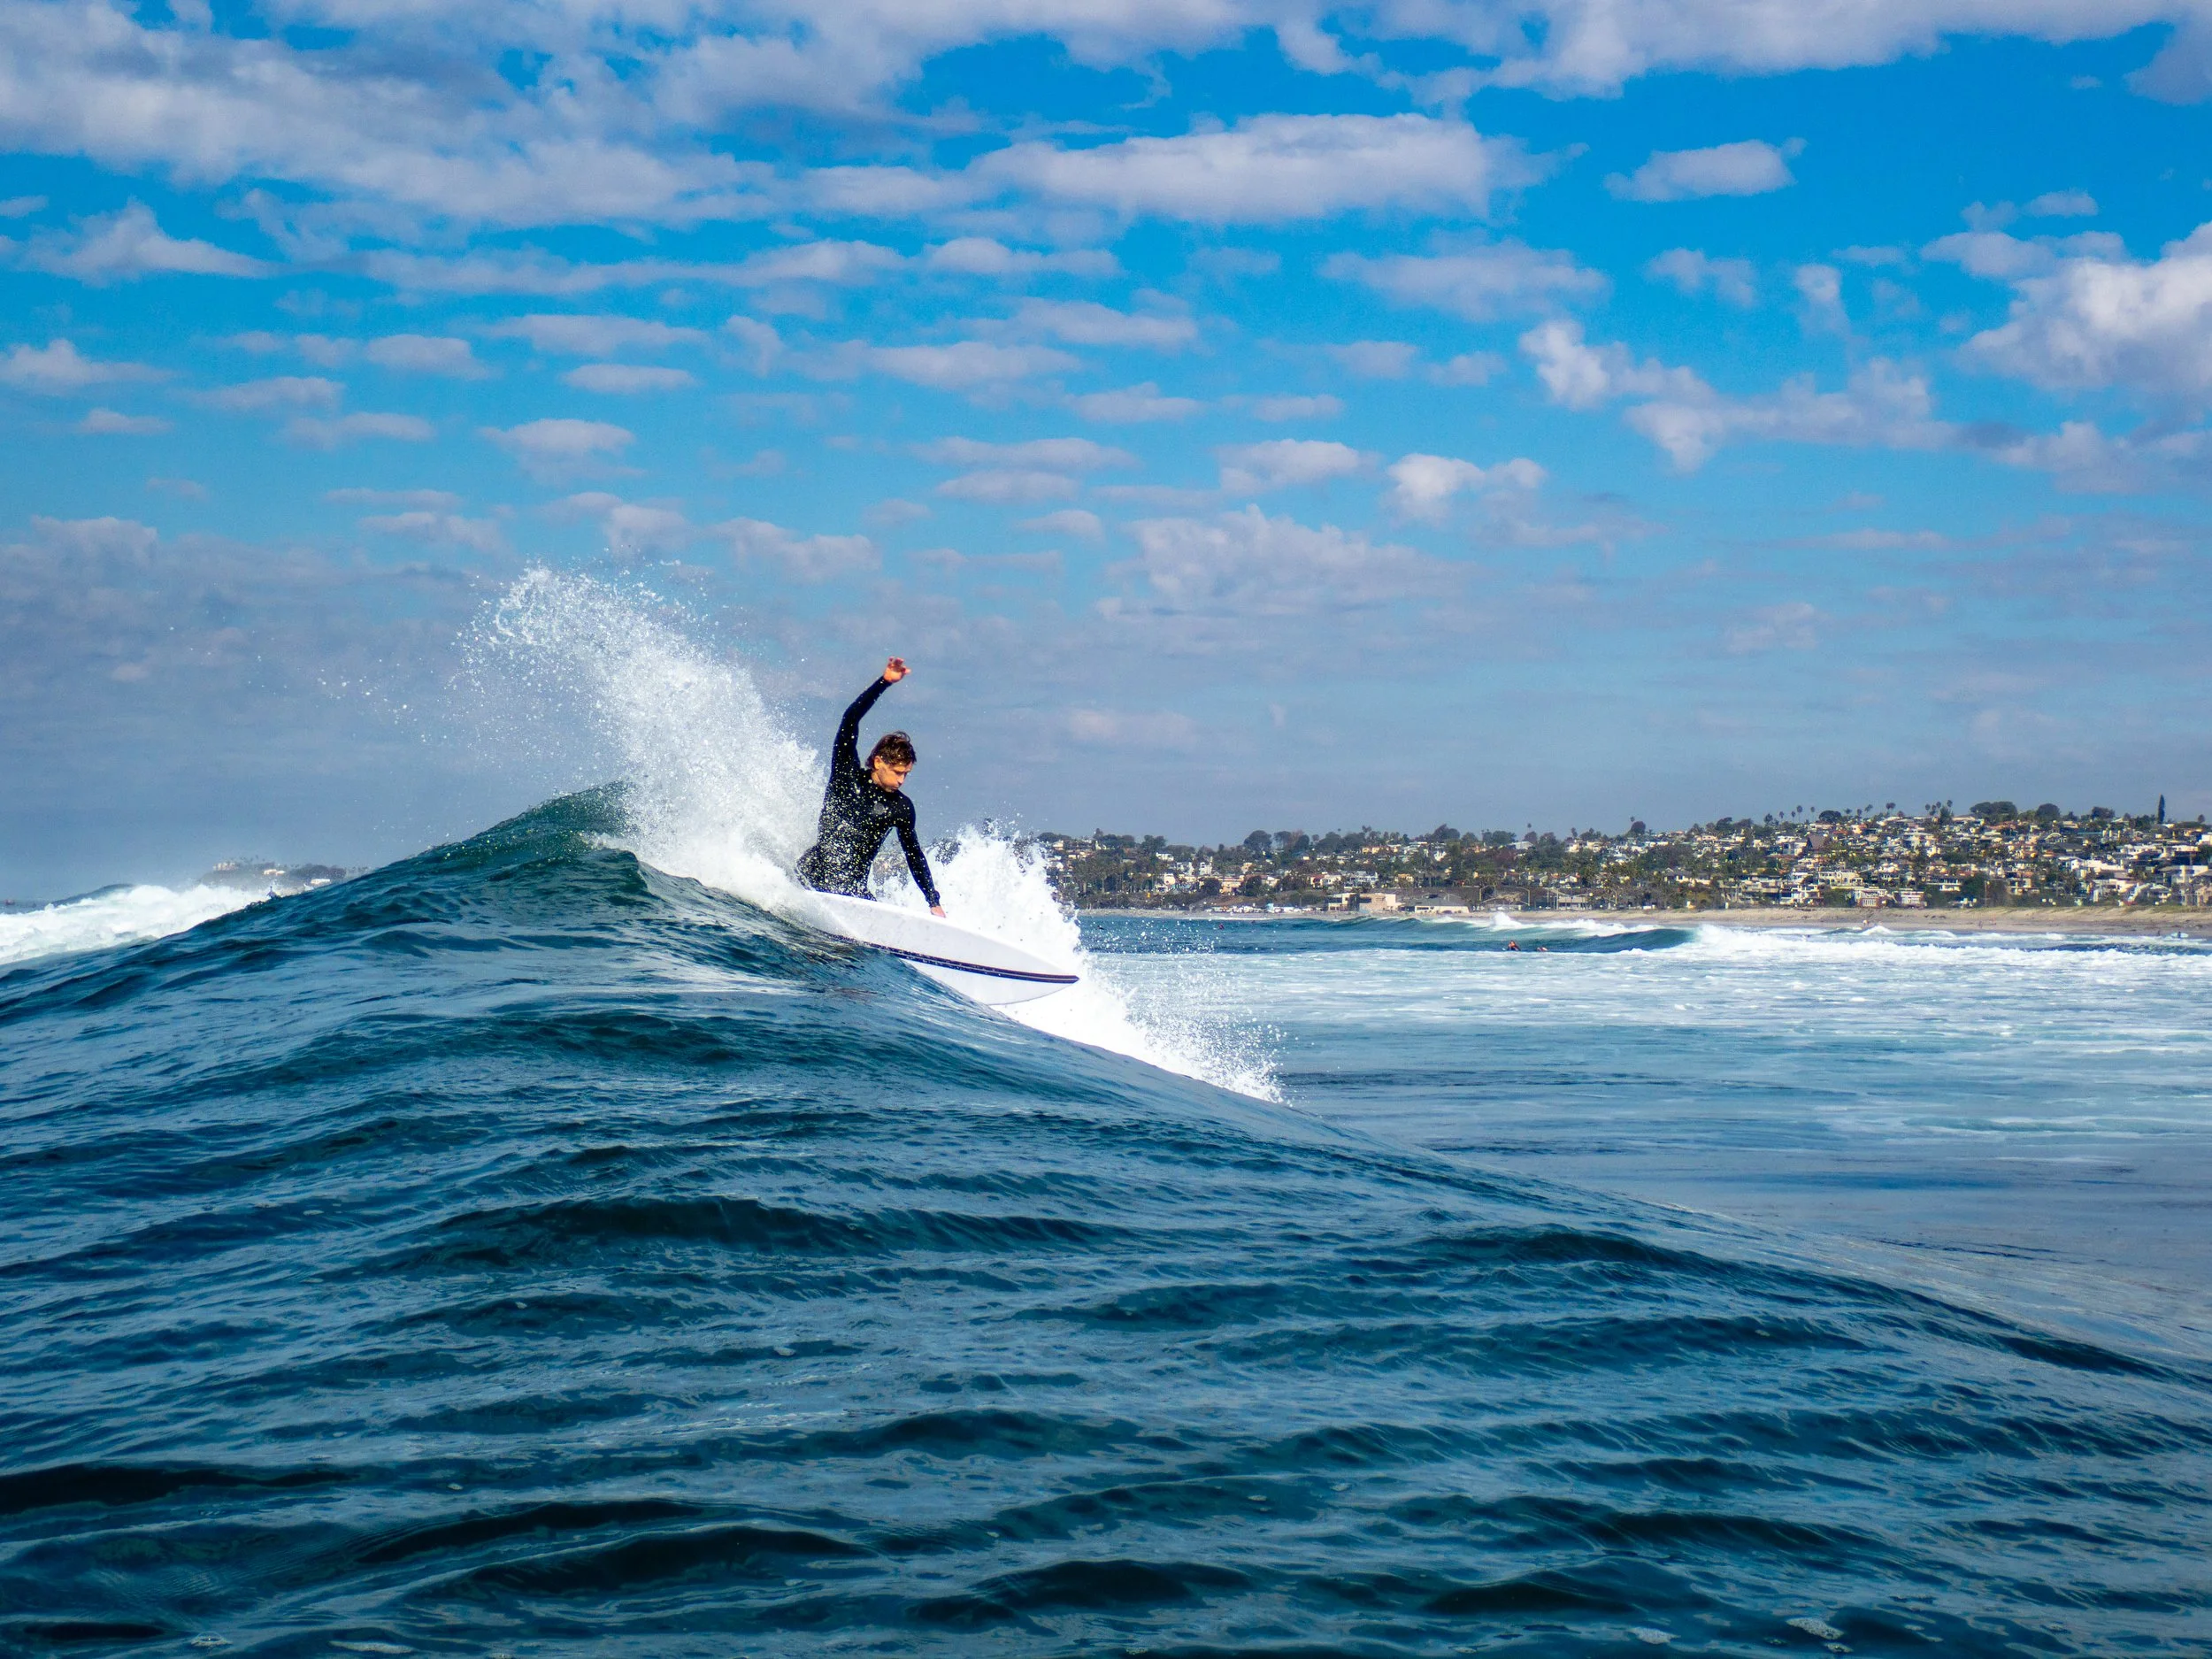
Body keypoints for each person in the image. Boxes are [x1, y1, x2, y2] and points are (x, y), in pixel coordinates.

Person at [796, 657, 944, 916]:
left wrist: (933, 902)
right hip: (811, 879)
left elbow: (914, 854)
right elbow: (849, 720)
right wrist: (884, 682)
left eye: (906, 774)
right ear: (878, 762)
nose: (901, 780)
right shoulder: (846, 775)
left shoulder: (900, 808)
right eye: (897, 772)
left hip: (851, 894)